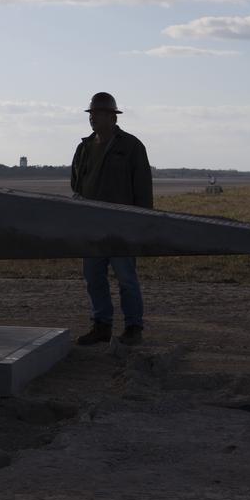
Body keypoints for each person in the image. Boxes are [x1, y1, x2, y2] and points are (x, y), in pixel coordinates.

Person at [71, 91, 153, 347]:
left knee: (126, 278)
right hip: (92, 227)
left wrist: (141, 224)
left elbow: (142, 188)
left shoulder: (131, 146)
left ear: (112, 117)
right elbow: (76, 183)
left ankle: (133, 328)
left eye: (97, 114)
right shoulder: (84, 147)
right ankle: (101, 326)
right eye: (91, 114)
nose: (92, 118)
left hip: (122, 226)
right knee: (94, 278)